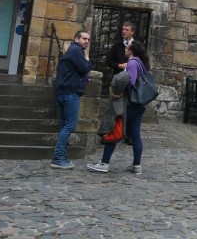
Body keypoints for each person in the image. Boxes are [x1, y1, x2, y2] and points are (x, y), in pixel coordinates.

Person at [87, 40, 150, 175]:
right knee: (135, 134)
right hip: (138, 104)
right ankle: (137, 165)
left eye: (127, 48)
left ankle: (104, 163)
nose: (125, 49)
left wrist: (117, 87)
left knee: (113, 131)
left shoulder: (133, 63)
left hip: (129, 104)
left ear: (131, 51)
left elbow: (130, 80)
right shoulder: (141, 63)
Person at [50, 30, 92, 169]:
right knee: (69, 125)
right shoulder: (76, 50)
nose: (86, 41)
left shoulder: (72, 51)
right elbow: (85, 68)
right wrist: (87, 61)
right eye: (84, 38)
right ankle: (58, 157)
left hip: (63, 92)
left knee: (64, 125)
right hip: (70, 93)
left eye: (88, 39)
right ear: (76, 39)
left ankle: (61, 156)